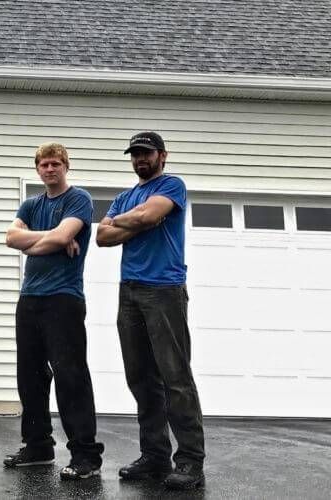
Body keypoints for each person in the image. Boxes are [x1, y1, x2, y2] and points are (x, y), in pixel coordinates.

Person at [96, 131, 205, 490]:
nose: (140, 159)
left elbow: (149, 216)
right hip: (129, 291)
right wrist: (136, 219)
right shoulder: (125, 196)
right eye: (135, 154)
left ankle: (190, 461)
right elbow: (102, 237)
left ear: (162, 155)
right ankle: (155, 456)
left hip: (164, 290)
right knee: (141, 378)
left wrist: (125, 221)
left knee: (176, 378)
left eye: (147, 153)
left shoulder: (172, 185)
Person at [3, 142, 104, 480]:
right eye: (44, 164)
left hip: (64, 298)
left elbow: (55, 238)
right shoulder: (31, 204)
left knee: (70, 376)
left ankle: (86, 455)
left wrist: (38, 242)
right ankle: (38, 447)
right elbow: (10, 238)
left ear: (65, 166)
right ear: (37, 169)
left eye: (55, 164)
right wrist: (54, 237)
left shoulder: (79, 199)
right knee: (30, 376)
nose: (49, 169)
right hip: (29, 299)